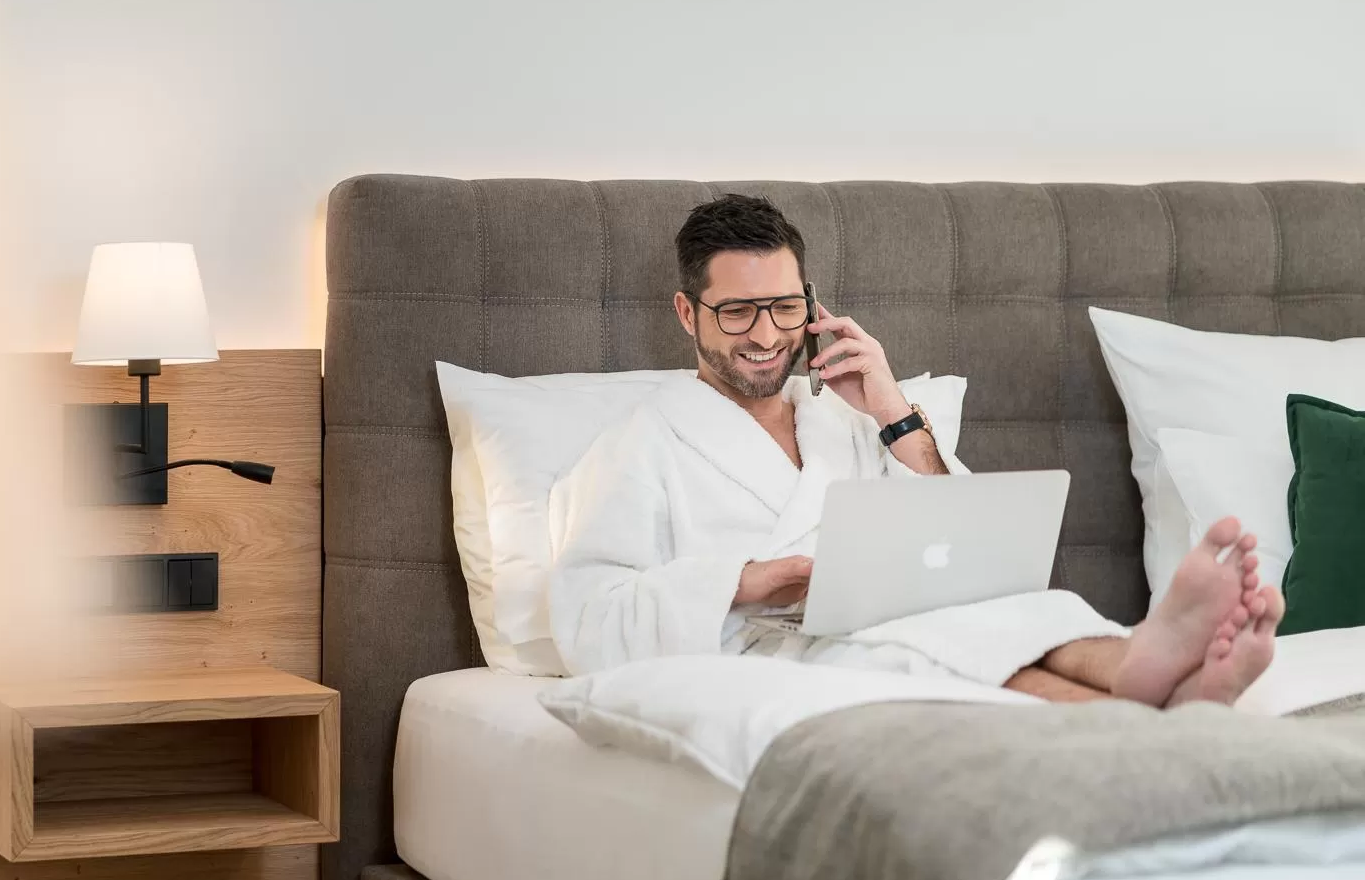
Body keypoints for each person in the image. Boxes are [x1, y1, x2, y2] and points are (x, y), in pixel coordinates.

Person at [546, 194, 1282, 707]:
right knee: (923, 648)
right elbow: (586, 621)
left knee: (1009, 613)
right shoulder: (640, 442)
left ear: (811, 301)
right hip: (777, 655)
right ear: (687, 312)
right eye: (738, 311)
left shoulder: (842, 420)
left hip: (889, 620)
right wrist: (742, 581)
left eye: (785, 306)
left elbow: (962, 551)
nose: (767, 335)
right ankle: (1127, 709)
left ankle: (1144, 663)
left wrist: (895, 413)